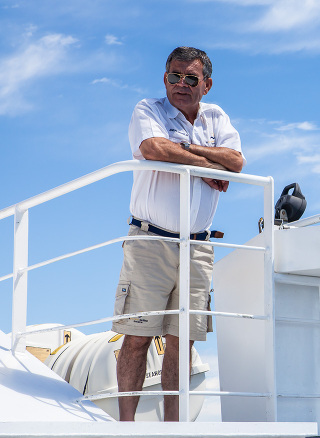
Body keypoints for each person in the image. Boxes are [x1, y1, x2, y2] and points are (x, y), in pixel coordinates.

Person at [112, 46, 244, 422]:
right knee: (137, 337)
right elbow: (153, 147)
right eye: (174, 76)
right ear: (165, 78)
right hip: (151, 241)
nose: (181, 85)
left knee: (181, 342)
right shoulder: (148, 109)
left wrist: (185, 150)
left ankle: (174, 428)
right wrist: (206, 164)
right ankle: (127, 427)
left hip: (198, 247)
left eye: (191, 78)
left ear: (207, 84)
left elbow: (235, 161)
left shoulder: (216, 116)